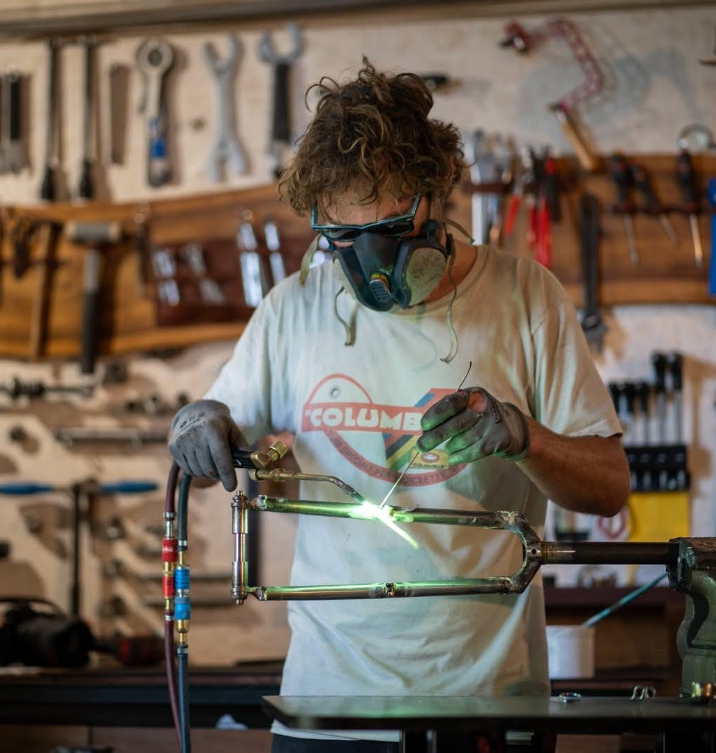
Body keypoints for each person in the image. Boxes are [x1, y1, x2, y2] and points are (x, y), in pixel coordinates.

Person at [169, 58, 630, 753]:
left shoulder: (525, 297)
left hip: (483, 710)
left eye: (387, 233)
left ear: (435, 195)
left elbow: (609, 485)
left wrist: (524, 438)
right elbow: (221, 431)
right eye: (342, 240)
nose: (366, 267)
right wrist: (198, 420)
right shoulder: (297, 306)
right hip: (327, 707)